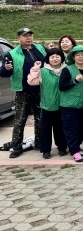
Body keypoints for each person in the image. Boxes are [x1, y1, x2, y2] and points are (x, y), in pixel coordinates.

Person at [0, 28, 46, 158]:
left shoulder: (40, 49)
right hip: (23, 91)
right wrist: (6, 68)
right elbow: (3, 73)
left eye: (30, 35)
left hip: (40, 90)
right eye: (25, 36)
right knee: (20, 120)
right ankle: (17, 147)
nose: (28, 38)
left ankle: (39, 143)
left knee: (40, 118)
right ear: (19, 38)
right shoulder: (12, 54)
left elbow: (52, 59)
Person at [26, 48, 68, 159]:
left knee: (60, 128)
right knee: (45, 129)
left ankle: (62, 147)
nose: (55, 59)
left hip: (63, 105)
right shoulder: (43, 71)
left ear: (62, 58)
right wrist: (35, 68)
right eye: (52, 57)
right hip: (47, 106)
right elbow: (32, 82)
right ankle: (46, 150)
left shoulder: (66, 70)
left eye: (57, 56)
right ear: (48, 59)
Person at [59, 45, 83, 163]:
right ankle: (75, 151)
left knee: (80, 128)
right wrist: (75, 81)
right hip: (69, 105)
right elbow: (62, 87)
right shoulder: (67, 69)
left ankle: (78, 148)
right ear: (73, 57)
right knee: (71, 129)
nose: (81, 57)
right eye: (77, 55)